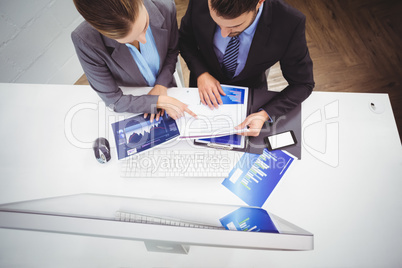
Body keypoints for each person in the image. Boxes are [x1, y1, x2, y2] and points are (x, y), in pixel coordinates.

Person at [179, 0, 314, 136]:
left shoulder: (289, 22)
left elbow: (303, 84)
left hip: (253, 96)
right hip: (201, 89)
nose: (224, 33)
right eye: (217, 23)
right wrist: (202, 73)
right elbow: (185, 39)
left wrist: (265, 114)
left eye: (236, 25)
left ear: (259, 2)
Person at [72, 0, 196, 122]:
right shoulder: (85, 41)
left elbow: (172, 51)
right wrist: (156, 101)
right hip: (130, 105)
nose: (143, 40)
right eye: (127, 41)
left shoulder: (165, 6)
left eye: (145, 26)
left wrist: (161, 85)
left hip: (167, 88)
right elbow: (113, 100)